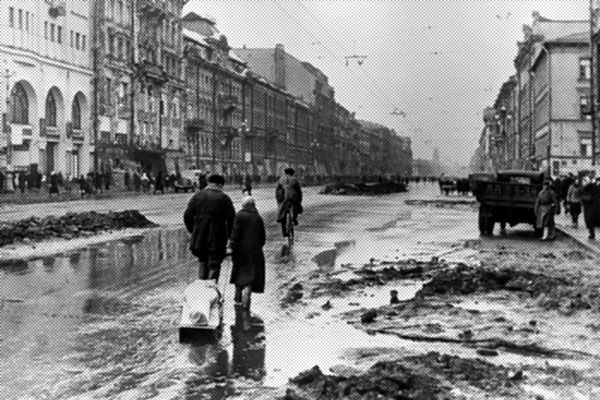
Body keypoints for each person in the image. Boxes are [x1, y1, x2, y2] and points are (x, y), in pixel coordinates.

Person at [184, 174, 236, 280]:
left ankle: (202, 289)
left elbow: (187, 215)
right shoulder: (224, 198)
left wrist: (193, 230)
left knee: (203, 261)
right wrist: (230, 237)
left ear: (209, 183)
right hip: (217, 238)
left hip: (200, 237)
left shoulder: (197, 196)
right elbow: (232, 219)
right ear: (220, 184)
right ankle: (211, 290)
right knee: (215, 264)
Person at [228, 195, 266, 311]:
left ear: (243, 205)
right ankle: (246, 292)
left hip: (241, 250)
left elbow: (235, 233)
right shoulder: (258, 217)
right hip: (255, 251)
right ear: (253, 205)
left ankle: (238, 297)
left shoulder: (239, 215)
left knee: (239, 271)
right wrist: (257, 247)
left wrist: (231, 246)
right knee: (251, 273)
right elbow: (263, 237)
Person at [276, 167, 303, 237]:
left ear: (285, 173)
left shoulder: (281, 179)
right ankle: (294, 218)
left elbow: (277, 190)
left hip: (283, 198)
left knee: (282, 213)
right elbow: (299, 191)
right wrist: (300, 200)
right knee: (297, 206)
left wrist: (278, 201)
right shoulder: (295, 179)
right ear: (292, 173)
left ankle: (284, 232)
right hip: (293, 197)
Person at [581, 175, 600, 240]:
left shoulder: (591, 187)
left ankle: (592, 233)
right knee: (591, 221)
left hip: (591, 206)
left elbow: (585, 197)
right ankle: (591, 233)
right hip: (590, 206)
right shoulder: (588, 187)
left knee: (591, 220)